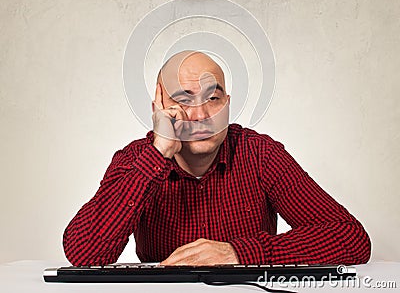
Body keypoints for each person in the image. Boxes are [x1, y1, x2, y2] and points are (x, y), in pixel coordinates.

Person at [63, 50, 371, 266]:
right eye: (183, 99)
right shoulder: (136, 160)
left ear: (227, 103)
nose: (200, 115)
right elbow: (84, 253)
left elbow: (350, 238)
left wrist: (239, 253)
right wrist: (157, 156)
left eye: (212, 98)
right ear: (159, 108)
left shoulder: (260, 154)